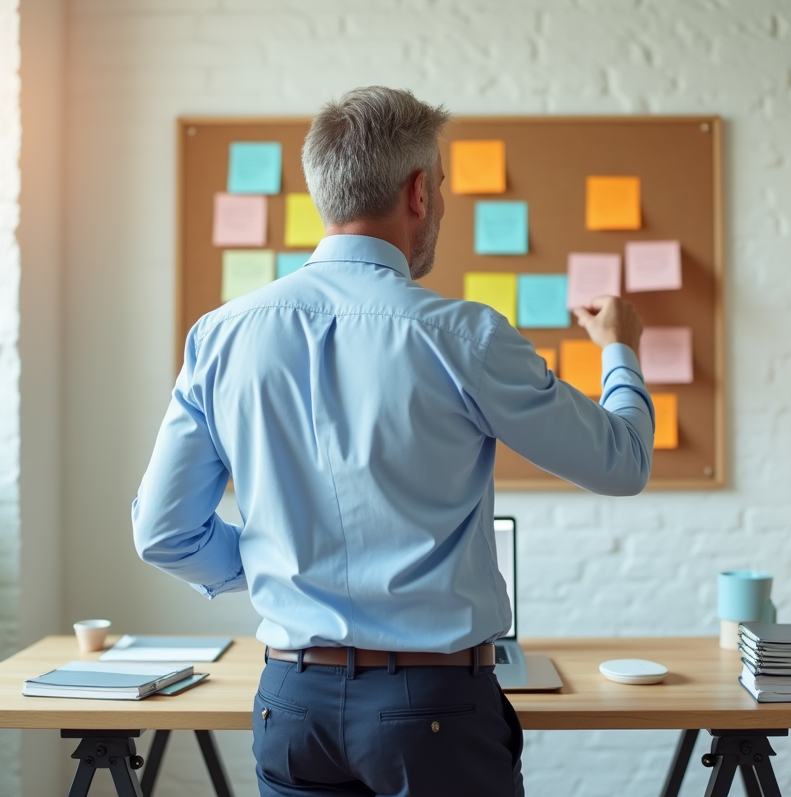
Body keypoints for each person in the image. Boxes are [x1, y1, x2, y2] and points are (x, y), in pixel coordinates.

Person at [132, 86, 654, 797]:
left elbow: (164, 533)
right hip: (434, 713)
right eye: (440, 185)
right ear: (418, 192)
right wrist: (619, 347)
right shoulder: (463, 336)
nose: (440, 202)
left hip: (292, 706)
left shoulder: (220, 336)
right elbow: (623, 462)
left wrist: (274, 566)